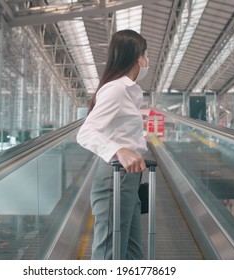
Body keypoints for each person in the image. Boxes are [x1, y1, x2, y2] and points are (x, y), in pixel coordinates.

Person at [76, 29, 149, 260]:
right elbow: (86, 132)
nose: (148, 60)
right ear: (138, 56)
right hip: (114, 178)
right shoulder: (116, 89)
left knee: (132, 253)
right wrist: (119, 150)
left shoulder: (128, 91)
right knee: (110, 252)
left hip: (129, 178)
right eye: (146, 54)